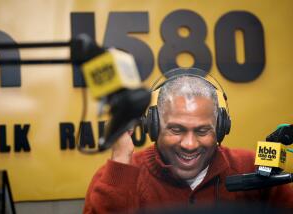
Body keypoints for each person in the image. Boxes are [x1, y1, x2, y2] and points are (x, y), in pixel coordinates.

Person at [83, 68, 293, 213]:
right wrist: (121, 159)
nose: (189, 144)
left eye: (202, 130)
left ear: (221, 129)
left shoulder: (256, 170)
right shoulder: (115, 176)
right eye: (176, 129)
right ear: (153, 126)